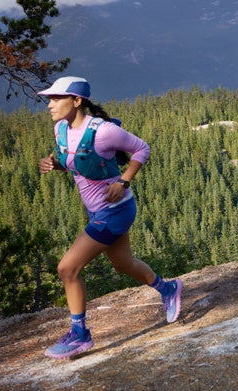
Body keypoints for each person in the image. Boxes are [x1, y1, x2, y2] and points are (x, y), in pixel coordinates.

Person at [38, 76, 182, 359]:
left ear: (77, 101)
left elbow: (142, 148)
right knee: (123, 263)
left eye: (56, 99)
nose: (49, 105)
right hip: (98, 209)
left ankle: (80, 336)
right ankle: (168, 289)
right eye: (49, 99)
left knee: (67, 268)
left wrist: (124, 181)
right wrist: (53, 163)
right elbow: (76, 161)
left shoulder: (103, 132)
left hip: (114, 211)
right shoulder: (60, 129)